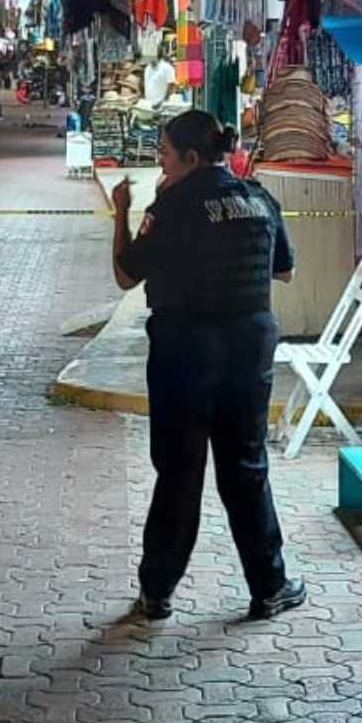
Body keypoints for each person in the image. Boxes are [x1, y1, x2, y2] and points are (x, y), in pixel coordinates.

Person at [109, 110, 305, 623]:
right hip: (248, 350)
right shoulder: (259, 197)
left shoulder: (174, 204)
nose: (161, 163)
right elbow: (284, 269)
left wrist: (123, 212)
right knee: (246, 470)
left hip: (185, 352)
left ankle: (158, 592)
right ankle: (269, 587)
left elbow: (126, 275)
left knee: (178, 472)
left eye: (166, 154)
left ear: (192, 158)